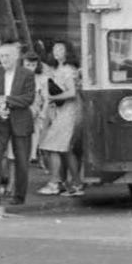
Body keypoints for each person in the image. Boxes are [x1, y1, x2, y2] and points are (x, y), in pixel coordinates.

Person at [0, 41, 40, 212]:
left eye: (7, 56)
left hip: (20, 121)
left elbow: (28, 98)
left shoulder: (26, 74)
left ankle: (19, 195)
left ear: (16, 57)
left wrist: (5, 99)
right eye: (1, 56)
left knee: (22, 160)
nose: (3, 59)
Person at [35, 42, 83, 196]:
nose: (56, 52)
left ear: (67, 52)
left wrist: (52, 97)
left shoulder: (67, 70)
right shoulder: (60, 69)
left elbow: (72, 93)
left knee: (52, 145)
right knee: (65, 150)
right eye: (54, 49)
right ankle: (75, 184)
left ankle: (55, 182)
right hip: (64, 111)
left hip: (68, 112)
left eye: (60, 49)